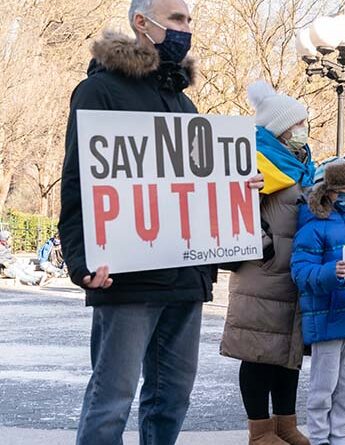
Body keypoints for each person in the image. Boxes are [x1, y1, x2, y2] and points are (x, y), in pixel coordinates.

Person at [58, 2, 265, 443]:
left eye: (188, 21)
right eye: (176, 20)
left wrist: (238, 188)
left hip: (186, 279)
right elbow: (78, 182)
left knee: (172, 399)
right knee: (111, 398)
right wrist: (80, 263)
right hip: (126, 278)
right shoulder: (100, 92)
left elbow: (195, 186)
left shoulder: (184, 101)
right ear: (141, 22)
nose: (186, 29)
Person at [219, 81, 315, 445]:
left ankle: (285, 423)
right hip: (264, 272)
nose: (304, 130)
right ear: (280, 127)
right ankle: (259, 430)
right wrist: (265, 247)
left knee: (287, 352)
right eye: (298, 123)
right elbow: (229, 210)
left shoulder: (303, 164)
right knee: (259, 351)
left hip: (293, 271)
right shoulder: (253, 159)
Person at [291, 158, 345, 445]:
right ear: (326, 190)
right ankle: (319, 438)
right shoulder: (313, 227)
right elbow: (301, 272)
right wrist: (331, 272)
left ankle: (340, 437)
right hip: (327, 319)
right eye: (343, 190)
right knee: (323, 387)